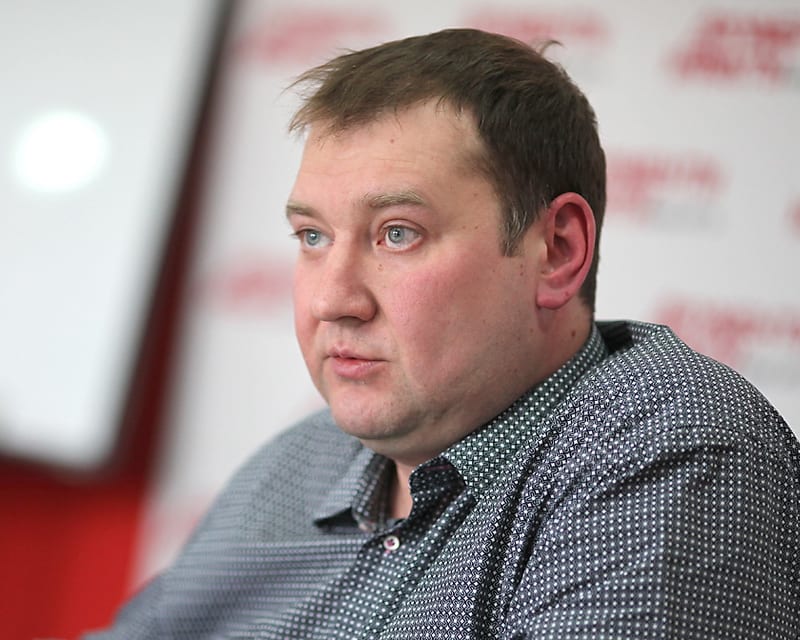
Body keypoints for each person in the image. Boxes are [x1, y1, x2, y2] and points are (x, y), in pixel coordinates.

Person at [87, 28, 800, 639]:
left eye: (397, 234)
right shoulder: (298, 463)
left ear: (556, 251)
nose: (332, 300)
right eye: (312, 236)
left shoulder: (670, 448)